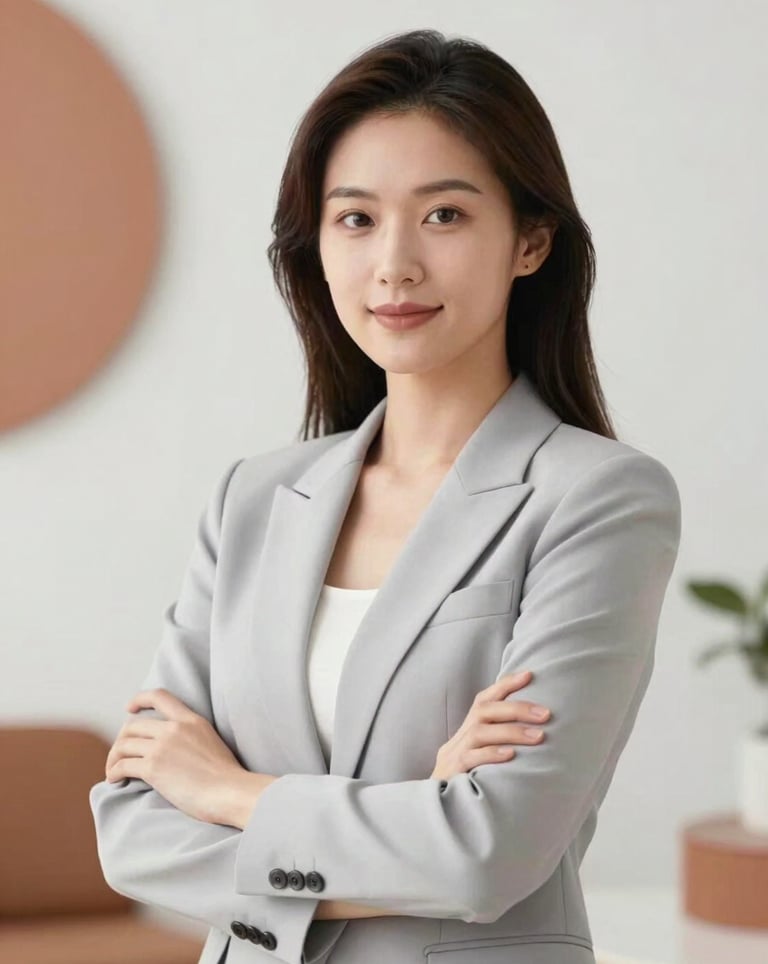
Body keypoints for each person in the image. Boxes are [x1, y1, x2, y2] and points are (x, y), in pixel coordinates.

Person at [89, 28, 681, 964]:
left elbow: (490, 852)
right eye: (356, 219)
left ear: (530, 240)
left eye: (444, 215)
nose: (394, 263)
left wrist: (230, 793)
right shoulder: (253, 498)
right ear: (316, 246)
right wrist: (415, 822)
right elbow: (131, 832)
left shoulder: (599, 500)